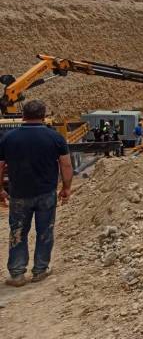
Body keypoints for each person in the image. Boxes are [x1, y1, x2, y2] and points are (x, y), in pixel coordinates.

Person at [0, 100, 73, 287]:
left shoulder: (8, 138)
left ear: (23, 115)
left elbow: (0, 166)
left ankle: (17, 274)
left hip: (18, 195)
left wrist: (0, 189)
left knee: (18, 232)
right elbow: (65, 164)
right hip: (46, 194)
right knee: (44, 231)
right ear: (43, 115)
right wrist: (66, 188)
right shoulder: (55, 137)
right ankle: (40, 270)